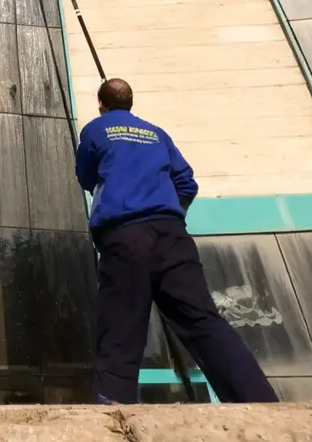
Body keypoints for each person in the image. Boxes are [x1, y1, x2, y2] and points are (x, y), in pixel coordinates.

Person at [75, 78, 278, 405]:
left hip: (126, 236)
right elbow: (187, 183)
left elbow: (85, 176)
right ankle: (258, 401)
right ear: (130, 102)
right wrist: (169, 214)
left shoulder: (96, 129)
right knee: (203, 322)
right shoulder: (158, 134)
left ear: (101, 103)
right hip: (172, 237)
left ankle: (113, 409)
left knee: (121, 329)